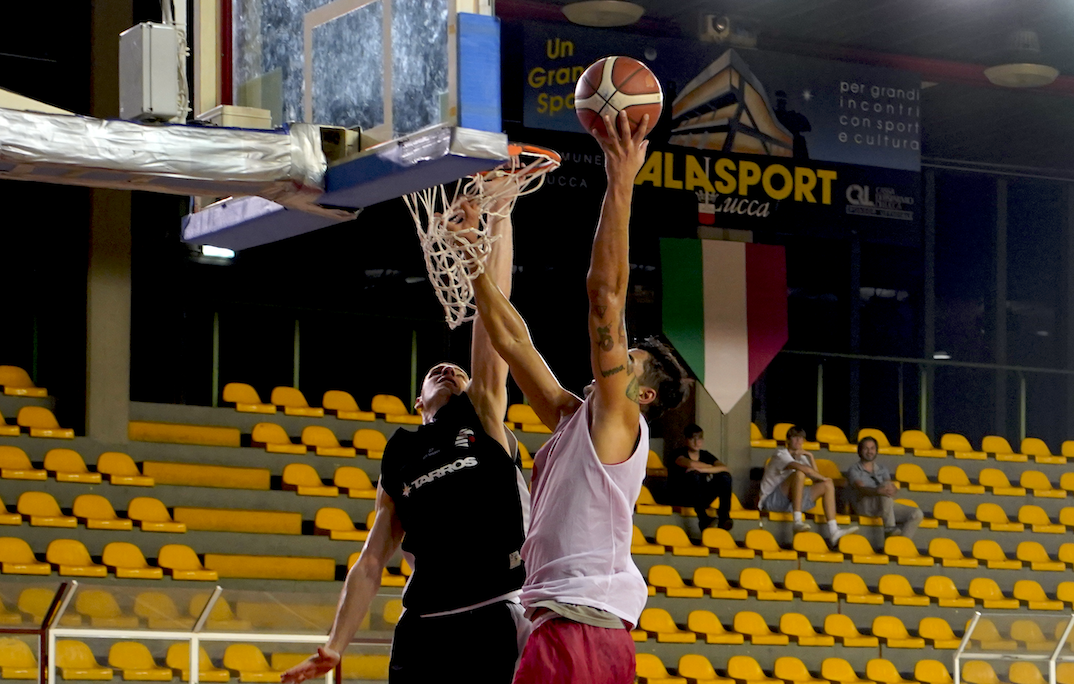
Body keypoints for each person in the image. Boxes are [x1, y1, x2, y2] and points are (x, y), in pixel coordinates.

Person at [464, 111, 689, 684]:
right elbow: (513, 342)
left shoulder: (619, 417)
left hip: (579, 626)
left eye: (628, 362)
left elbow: (605, 298)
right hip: (572, 625)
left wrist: (621, 179)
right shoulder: (574, 418)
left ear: (643, 393)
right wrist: (472, 260)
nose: (613, 365)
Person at [280, 193, 528, 684]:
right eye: (436, 371)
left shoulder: (482, 416)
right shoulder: (401, 453)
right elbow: (372, 559)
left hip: (493, 612)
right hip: (423, 625)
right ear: (418, 402)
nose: (447, 370)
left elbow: (494, 322)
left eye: (457, 371)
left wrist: (498, 216)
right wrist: (335, 644)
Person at [758, 425, 857, 544]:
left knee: (827, 485)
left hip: (790, 502)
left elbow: (816, 478)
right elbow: (804, 470)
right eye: (795, 437)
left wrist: (810, 456)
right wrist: (824, 478)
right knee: (799, 473)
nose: (798, 441)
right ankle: (797, 521)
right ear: (788, 440)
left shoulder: (802, 457)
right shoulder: (780, 454)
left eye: (801, 438)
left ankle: (833, 530)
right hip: (772, 501)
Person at [846, 436, 924, 539]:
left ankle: (901, 544)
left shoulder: (882, 469)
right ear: (860, 451)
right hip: (865, 504)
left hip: (884, 505)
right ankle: (889, 528)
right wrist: (878, 491)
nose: (869, 451)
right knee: (884, 488)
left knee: (916, 514)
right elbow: (861, 488)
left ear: (876, 451)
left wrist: (894, 489)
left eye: (872, 448)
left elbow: (889, 485)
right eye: (866, 448)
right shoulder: (854, 469)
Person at [668, 423, 733, 532]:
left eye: (699, 439)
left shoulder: (705, 455)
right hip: (682, 495)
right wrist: (710, 468)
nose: (696, 442)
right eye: (692, 439)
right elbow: (691, 464)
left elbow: (725, 468)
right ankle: (703, 519)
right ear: (686, 440)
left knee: (725, 477)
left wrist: (703, 469)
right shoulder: (678, 453)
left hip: (701, 497)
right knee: (694, 475)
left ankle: (724, 517)